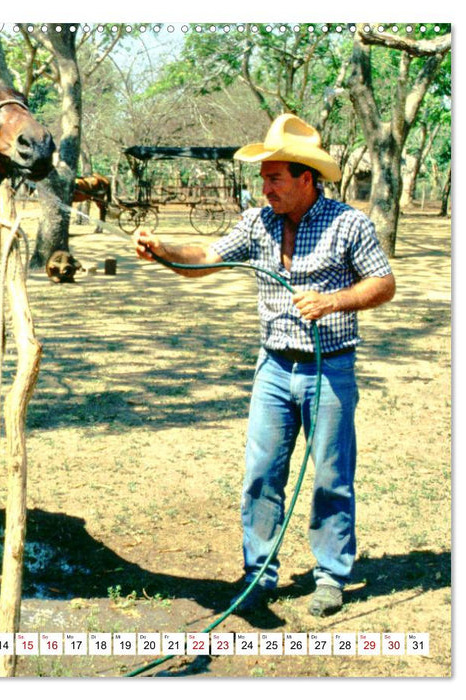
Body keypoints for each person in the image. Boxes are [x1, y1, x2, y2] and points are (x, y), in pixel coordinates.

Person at [135, 114, 395, 617]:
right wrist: (164, 250)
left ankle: (331, 576)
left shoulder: (349, 223)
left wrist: (332, 302)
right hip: (274, 369)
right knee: (261, 473)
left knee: (331, 477)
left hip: (330, 371)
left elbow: (383, 284)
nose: (265, 186)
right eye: (263, 177)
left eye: (274, 177)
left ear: (305, 178)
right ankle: (258, 574)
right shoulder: (258, 222)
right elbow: (207, 256)